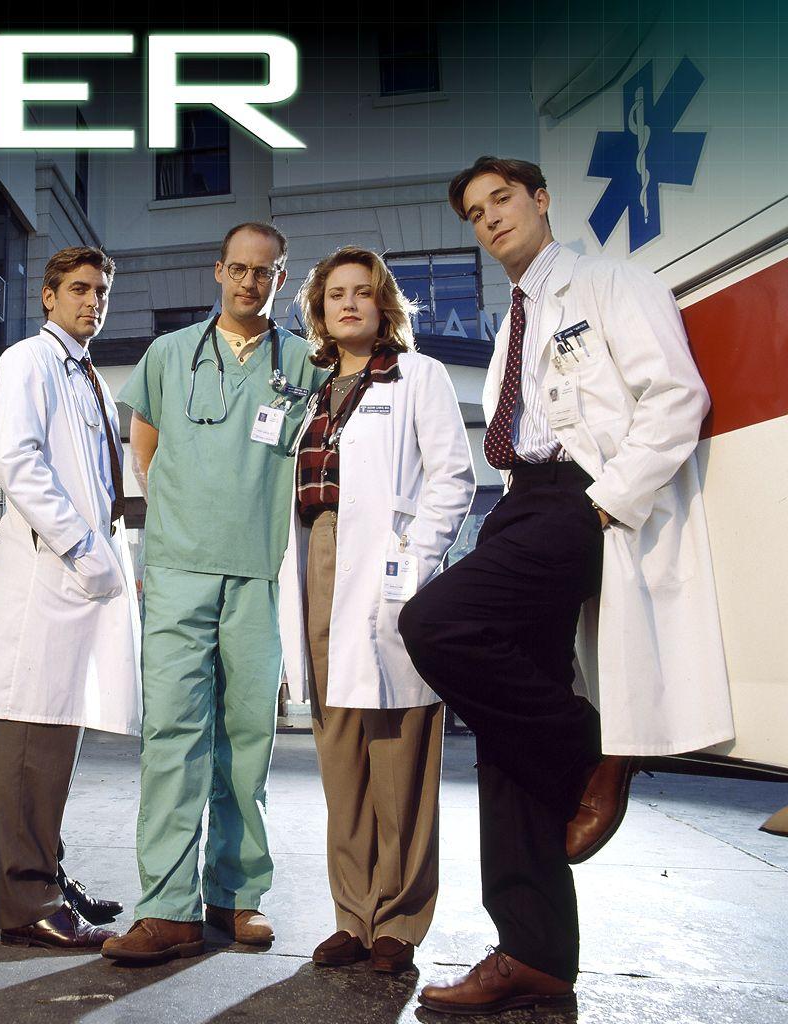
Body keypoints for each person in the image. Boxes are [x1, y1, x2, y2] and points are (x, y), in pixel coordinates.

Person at [398, 156, 735, 1015]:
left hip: (582, 501)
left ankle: (593, 749)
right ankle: (534, 953)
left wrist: (606, 503)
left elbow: (676, 397)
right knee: (506, 729)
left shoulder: (613, 283)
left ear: (541, 200)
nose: (489, 219)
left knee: (436, 623)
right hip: (522, 502)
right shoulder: (511, 325)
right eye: (475, 212)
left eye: (502, 199)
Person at [102, 223, 329, 965]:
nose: (249, 282)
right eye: (238, 268)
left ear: (282, 279)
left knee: (247, 739)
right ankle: (166, 908)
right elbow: (146, 453)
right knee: (173, 734)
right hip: (178, 568)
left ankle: (235, 894)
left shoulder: (305, 363)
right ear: (217, 271)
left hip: (258, 571)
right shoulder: (169, 355)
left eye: (265, 272)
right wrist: (185, 519)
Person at [277, 247, 474, 974]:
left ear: (383, 303)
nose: (349, 304)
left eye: (363, 292)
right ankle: (352, 916)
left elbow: (453, 477)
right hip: (319, 560)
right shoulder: (310, 390)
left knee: (401, 750)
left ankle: (400, 919)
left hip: (391, 571)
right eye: (336, 295)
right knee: (339, 748)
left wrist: (413, 561)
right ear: (320, 310)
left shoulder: (418, 376)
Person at [0, 246, 141, 950]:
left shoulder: (87, 374)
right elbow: (14, 458)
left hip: (83, 578)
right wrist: (79, 545)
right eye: (78, 289)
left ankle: (48, 876)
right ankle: (25, 904)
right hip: (50, 575)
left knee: (56, 741)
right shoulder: (28, 360)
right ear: (48, 296)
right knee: (29, 736)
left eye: (101, 291)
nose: (91, 301)